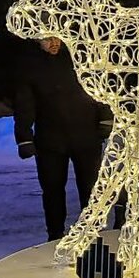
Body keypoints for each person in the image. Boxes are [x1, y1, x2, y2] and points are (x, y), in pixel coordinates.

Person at [13, 36, 112, 241]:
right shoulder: (31, 67)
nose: (53, 43)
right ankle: (55, 234)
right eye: (47, 40)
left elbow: (100, 88)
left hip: (86, 137)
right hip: (51, 141)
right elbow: (25, 105)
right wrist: (24, 137)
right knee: (52, 189)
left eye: (55, 38)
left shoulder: (80, 58)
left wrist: (105, 118)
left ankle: (92, 230)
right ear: (37, 41)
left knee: (91, 187)